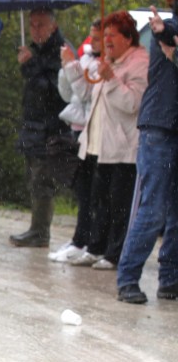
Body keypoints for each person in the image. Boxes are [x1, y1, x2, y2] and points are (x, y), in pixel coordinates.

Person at [69, 11, 147, 271]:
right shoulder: (110, 61)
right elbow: (87, 94)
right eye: (105, 35)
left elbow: (132, 103)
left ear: (128, 37)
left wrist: (111, 79)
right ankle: (96, 247)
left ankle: (115, 253)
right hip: (100, 145)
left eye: (112, 35)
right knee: (98, 200)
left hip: (124, 148)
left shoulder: (138, 62)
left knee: (119, 204)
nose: (107, 40)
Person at [116, 0, 178, 304]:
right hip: (159, 127)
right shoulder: (164, 28)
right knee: (152, 209)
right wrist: (166, 33)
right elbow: (170, 38)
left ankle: (170, 280)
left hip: (169, 126)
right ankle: (127, 278)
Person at [10, 9, 77, 248]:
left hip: (50, 127)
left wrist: (32, 64)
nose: (35, 30)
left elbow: (56, 90)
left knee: (42, 180)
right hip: (34, 124)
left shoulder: (62, 51)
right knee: (34, 177)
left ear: (53, 25)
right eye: (33, 25)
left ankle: (40, 232)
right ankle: (36, 229)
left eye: (41, 25)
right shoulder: (38, 49)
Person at [51, 19, 103, 263]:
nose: (92, 41)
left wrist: (71, 64)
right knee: (82, 190)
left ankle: (87, 241)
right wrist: (67, 67)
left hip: (94, 133)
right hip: (77, 129)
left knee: (92, 193)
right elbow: (68, 93)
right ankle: (80, 239)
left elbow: (85, 92)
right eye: (91, 35)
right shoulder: (88, 57)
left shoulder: (103, 63)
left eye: (98, 36)